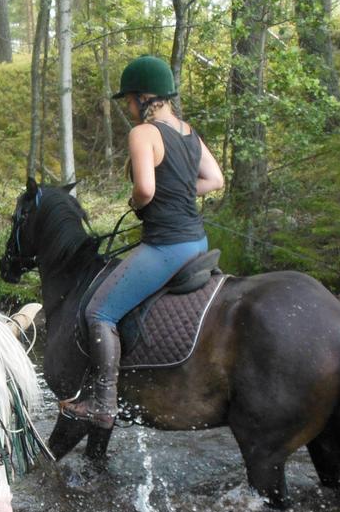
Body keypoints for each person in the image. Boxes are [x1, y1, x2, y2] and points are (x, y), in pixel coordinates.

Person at [62, 55, 224, 429]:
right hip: (197, 243)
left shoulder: (143, 134)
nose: (130, 108)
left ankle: (103, 402)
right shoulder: (188, 132)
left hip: (167, 247)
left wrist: (138, 201)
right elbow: (215, 180)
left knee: (99, 312)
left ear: (142, 97)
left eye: (129, 101)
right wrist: (180, 192)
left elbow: (146, 189)